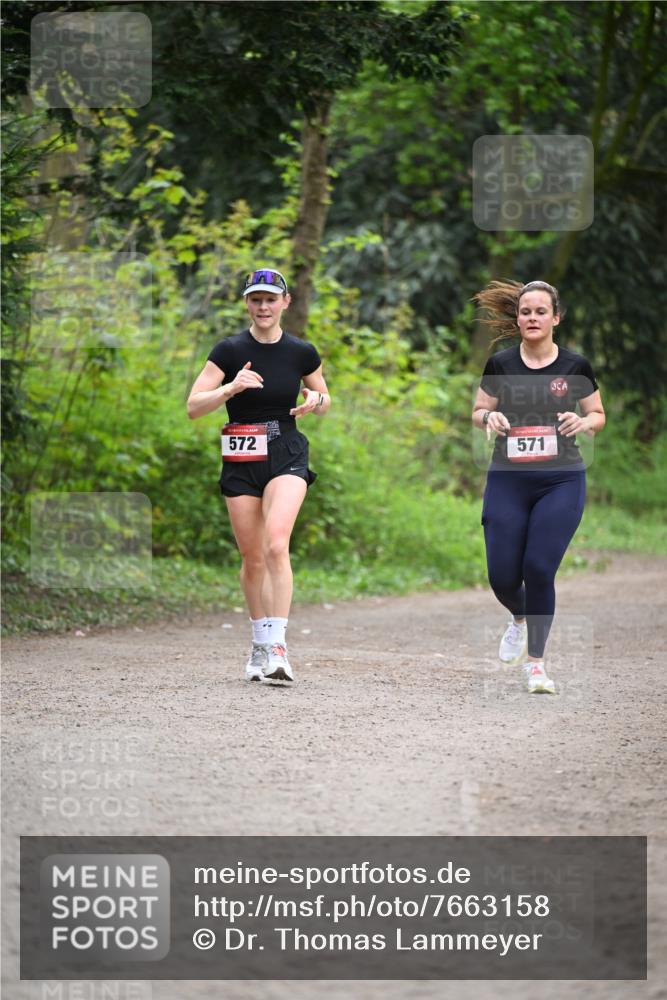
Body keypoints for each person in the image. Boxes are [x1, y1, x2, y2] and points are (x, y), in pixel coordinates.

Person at [187, 268, 330, 685]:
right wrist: (230, 389)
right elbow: (194, 406)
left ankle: (279, 648)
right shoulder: (229, 350)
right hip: (241, 455)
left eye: (271, 299)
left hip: (286, 450)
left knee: (276, 544)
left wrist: (315, 400)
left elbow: (323, 398)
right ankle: (259, 642)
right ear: (247, 304)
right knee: (252, 560)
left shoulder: (302, 352)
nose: (264, 306)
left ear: (286, 302)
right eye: (256, 299)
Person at [471, 280, 605, 694]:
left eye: (540, 311)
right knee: (503, 578)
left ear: (555, 318)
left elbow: (597, 413)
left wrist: (584, 423)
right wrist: (487, 419)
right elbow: (478, 409)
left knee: (539, 567)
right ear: (518, 318)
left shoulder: (575, 366)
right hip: (508, 479)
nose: (532, 317)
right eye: (525, 311)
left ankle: (536, 664)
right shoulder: (501, 364)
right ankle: (519, 617)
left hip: (561, 479)